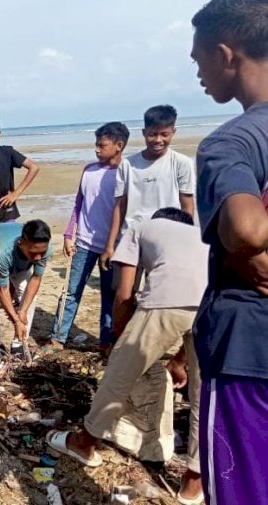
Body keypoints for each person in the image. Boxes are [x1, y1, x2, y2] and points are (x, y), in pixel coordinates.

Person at [46, 208, 207, 505]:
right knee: (202, 397)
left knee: (118, 376)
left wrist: (119, 342)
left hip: (165, 301)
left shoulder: (140, 228)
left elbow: (123, 293)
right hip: (212, 304)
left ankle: (84, 443)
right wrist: (179, 361)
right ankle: (193, 483)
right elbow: (194, 305)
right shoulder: (200, 234)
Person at [190, 1, 268, 503]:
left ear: (225, 54)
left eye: (198, 59)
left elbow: (245, 233)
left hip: (247, 349)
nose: (197, 73)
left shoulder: (230, 143)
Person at [46, 122, 130, 352]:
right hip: (83, 243)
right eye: (96, 144)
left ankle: (106, 341)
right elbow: (78, 204)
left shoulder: (128, 173)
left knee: (109, 296)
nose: (96, 149)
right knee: (71, 291)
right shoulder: (89, 170)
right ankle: (57, 338)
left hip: (112, 246)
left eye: (102, 145)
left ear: (119, 146)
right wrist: (68, 233)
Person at [101, 105, 195, 273]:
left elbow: (187, 206)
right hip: (131, 237)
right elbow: (119, 206)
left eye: (164, 134)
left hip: (168, 239)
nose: (158, 140)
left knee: (161, 292)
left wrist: (187, 240)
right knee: (123, 294)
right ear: (144, 133)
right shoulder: (128, 165)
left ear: (173, 132)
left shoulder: (182, 163)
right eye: (152, 134)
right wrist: (110, 245)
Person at [0, 220, 53, 358]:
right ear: (21, 244)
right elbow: (2, 289)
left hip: (22, 267)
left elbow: (36, 278)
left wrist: (22, 311)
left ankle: (18, 343)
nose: (38, 257)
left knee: (31, 298)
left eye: (42, 252)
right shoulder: (2, 253)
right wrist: (16, 320)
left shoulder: (44, 249)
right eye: (33, 253)